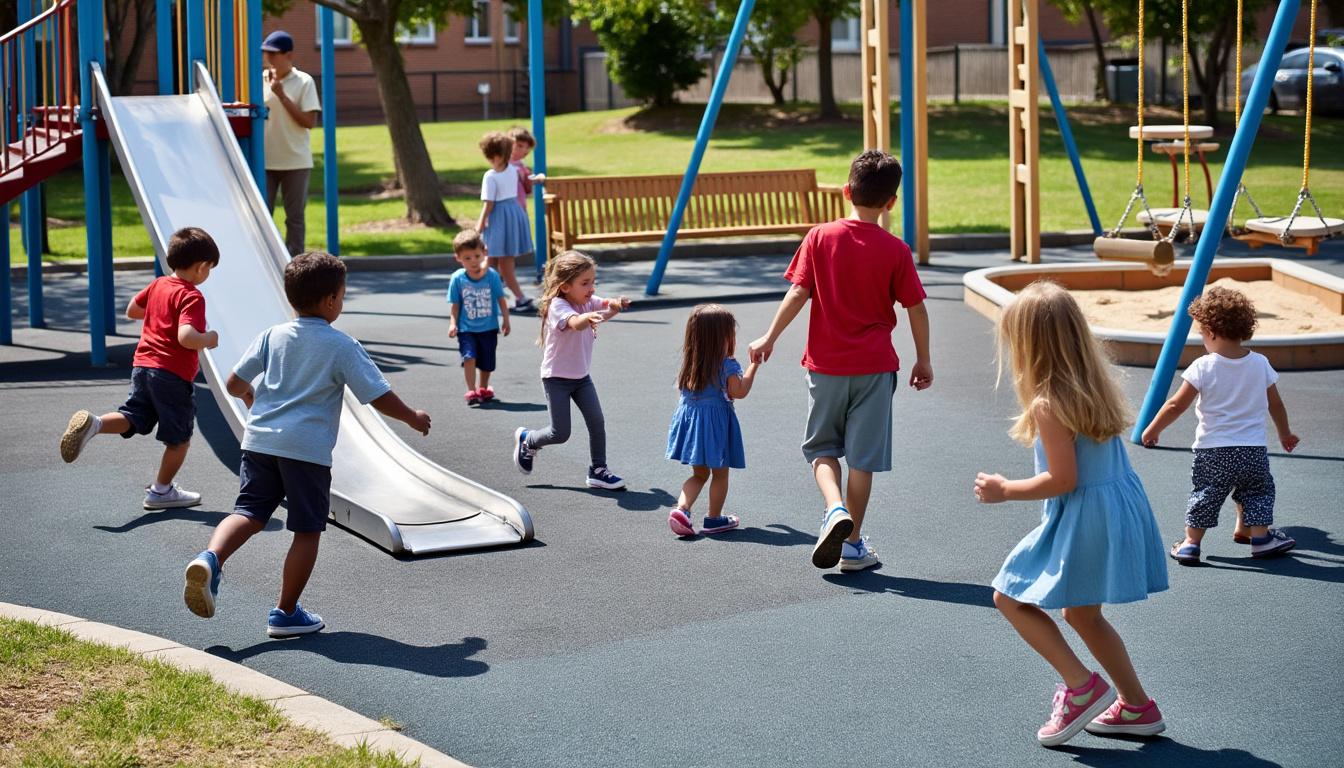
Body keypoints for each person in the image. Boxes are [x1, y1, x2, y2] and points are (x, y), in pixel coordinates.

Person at [182, 252, 431, 637]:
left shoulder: (272, 335)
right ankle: (284, 612)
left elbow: (233, 383)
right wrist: (412, 417)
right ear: (331, 300)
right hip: (306, 451)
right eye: (342, 296)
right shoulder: (341, 345)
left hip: (259, 442)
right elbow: (376, 395)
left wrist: (251, 398)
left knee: (248, 512)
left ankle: (210, 557)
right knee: (306, 530)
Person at [975, 280, 1168, 747]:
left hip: (1084, 513)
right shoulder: (1094, 385)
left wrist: (1005, 489)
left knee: (1009, 597)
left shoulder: (1048, 402)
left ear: (1029, 346)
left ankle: (1081, 687)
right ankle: (1137, 706)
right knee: (1082, 615)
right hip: (1116, 506)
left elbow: (1063, 480)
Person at [748, 150, 932, 573]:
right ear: (892, 202)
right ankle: (851, 546)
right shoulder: (896, 250)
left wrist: (769, 336)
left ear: (846, 191)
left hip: (826, 366)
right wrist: (924, 359)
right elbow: (915, 308)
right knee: (863, 461)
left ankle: (834, 509)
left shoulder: (819, 237)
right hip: (874, 368)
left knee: (822, 451)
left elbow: (798, 293)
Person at [60, 227, 220, 510]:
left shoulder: (158, 285)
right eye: (209, 269)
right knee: (179, 438)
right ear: (201, 267)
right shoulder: (192, 296)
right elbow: (186, 337)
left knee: (134, 415)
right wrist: (208, 338)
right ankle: (161, 491)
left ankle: (95, 424)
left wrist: (161, 315)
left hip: (142, 366)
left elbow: (132, 310)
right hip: (172, 374)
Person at [1141, 285, 1299, 563]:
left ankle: (1191, 543)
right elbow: (1277, 404)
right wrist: (1285, 433)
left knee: (1206, 494)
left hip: (1213, 451)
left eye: (1201, 333)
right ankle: (1261, 538)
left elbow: (1176, 404)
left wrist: (1153, 429)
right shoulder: (1260, 363)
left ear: (1211, 332)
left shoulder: (1203, 366)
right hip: (1253, 450)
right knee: (1258, 491)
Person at [512, 251, 630, 491]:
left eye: (593, 281)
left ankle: (598, 470)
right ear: (565, 287)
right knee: (560, 433)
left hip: (581, 377)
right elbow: (576, 323)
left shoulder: (587, 301)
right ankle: (529, 440)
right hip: (556, 378)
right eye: (585, 283)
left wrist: (615, 305)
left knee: (597, 422)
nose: (592, 288)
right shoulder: (559, 305)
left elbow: (603, 308)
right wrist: (590, 315)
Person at [666, 304, 759, 536]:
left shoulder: (691, 363)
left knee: (699, 474)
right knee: (720, 474)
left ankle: (682, 509)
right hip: (715, 425)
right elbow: (739, 391)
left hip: (692, 424)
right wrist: (754, 366)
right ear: (724, 337)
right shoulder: (727, 364)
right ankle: (714, 519)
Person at [261, 30, 320, 256]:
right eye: (267, 54)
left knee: (294, 217)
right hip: (266, 160)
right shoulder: (260, 80)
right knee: (263, 215)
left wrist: (282, 96)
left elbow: (308, 121)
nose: (269, 59)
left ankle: (296, 263)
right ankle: (267, 258)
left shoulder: (304, 81)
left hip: (295, 161)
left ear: (289, 55)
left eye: (274, 54)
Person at [448, 228, 511, 406]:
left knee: (487, 361)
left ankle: (483, 387)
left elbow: (501, 299)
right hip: (466, 328)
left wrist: (506, 320)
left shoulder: (492, 276)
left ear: (484, 253)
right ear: (458, 258)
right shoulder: (458, 279)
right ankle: (471, 389)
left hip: (489, 328)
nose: (473, 261)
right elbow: (455, 305)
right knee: (469, 357)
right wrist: (453, 324)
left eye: (477, 256)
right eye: (467, 258)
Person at [476, 131, 535, 311]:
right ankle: (489, 294)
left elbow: (489, 205)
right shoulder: (514, 170)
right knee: (497, 259)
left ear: (493, 156)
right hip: (513, 213)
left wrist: (479, 225)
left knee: (498, 260)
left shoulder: (490, 176)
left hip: (498, 218)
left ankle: (515, 297)